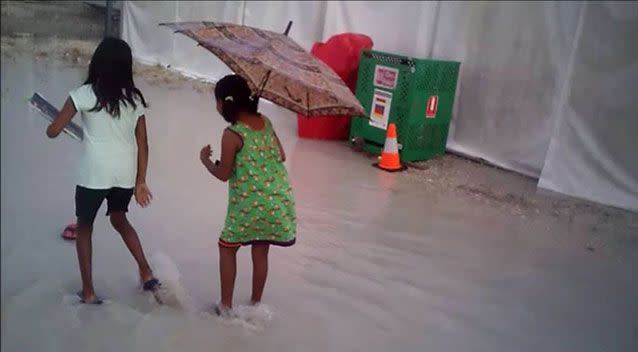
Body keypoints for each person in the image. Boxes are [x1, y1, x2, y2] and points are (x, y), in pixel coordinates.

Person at [46, 37, 160, 304]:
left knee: (84, 227)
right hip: (124, 175)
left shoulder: (82, 95)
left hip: (93, 175)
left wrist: (55, 124)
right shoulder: (134, 99)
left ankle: (88, 292)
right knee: (119, 219)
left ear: (96, 63)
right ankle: (146, 273)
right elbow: (143, 143)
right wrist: (141, 181)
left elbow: (53, 131)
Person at [199, 74, 296, 316]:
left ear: (225, 103)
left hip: (248, 206)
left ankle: (226, 307)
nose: (216, 106)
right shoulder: (265, 121)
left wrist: (206, 161)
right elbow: (281, 155)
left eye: (217, 101)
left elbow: (223, 174)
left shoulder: (232, 134)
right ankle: (255, 305)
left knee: (227, 247)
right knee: (260, 250)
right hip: (276, 201)